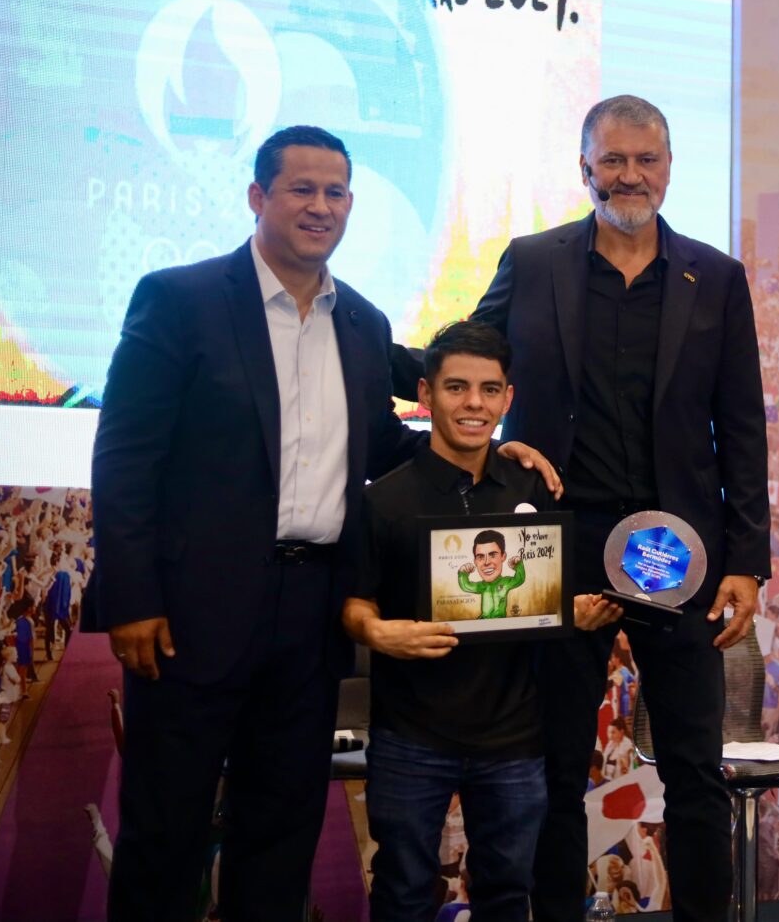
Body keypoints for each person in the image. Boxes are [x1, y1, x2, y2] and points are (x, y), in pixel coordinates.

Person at [83, 125, 558, 922]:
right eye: (301, 188)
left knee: (281, 832)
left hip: (310, 617)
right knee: (166, 831)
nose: (320, 206)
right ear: (257, 196)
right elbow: (126, 455)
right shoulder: (181, 300)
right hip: (191, 616)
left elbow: (381, 444)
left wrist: (492, 454)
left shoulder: (361, 323)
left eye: (335, 192)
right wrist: (132, 598)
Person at [394, 95, 770, 921]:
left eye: (646, 160)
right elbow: (462, 356)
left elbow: (742, 424)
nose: (629, 175)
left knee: (694, 769)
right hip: (556, 546)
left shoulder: (717, 277)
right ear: (585, 167)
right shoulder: (533, 261)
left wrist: (748, 559)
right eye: (613, 160)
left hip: (679, 550)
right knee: (553, 767)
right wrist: (363, 357)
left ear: (668, 169)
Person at [343, 320, 618, 922]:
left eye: (489, 390)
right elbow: (355, 604)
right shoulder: (382, 500)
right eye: (457, 387)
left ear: (508, 398)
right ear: (425, 393)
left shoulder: (534, 485)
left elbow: (548, 596)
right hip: (410, 736)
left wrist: (575, 613)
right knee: (402, 893)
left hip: (513, 738)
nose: (474, 404)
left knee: (508, 892)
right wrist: (375, 631)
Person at [457, 530, 525, 619]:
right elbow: (466, 586)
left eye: (492, 555)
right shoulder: (481, 586)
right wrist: (463, 574)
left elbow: (519, 579)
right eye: (480, 557)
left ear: (503, 556)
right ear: (475, 561)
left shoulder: (506, 583)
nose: (486, 562)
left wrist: (518, 566)